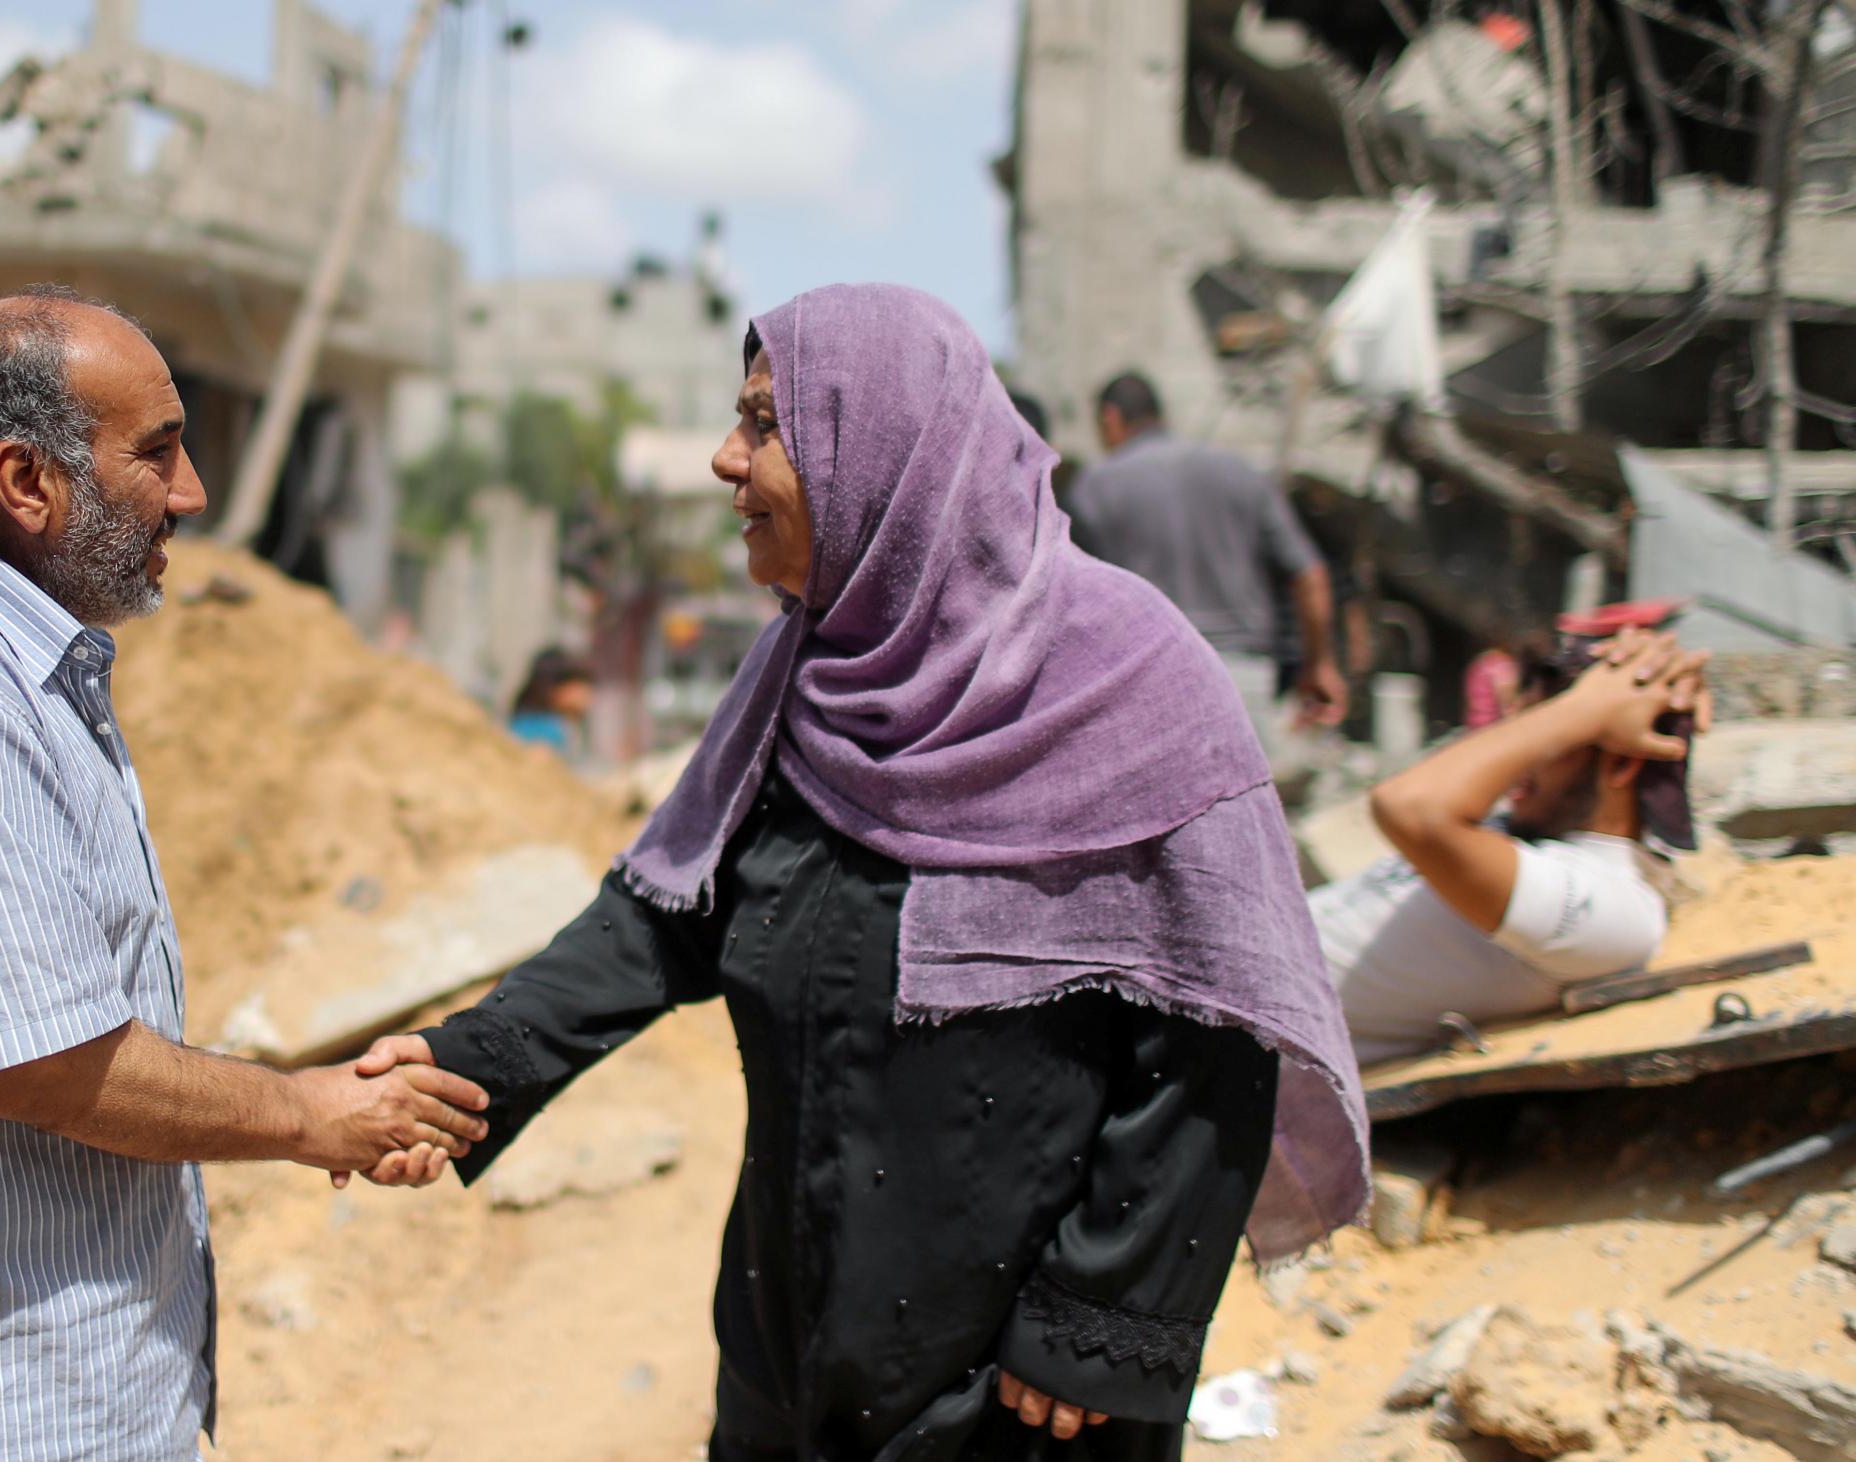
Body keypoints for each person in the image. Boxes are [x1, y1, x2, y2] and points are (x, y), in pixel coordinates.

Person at [357, 285, 1369, 1459]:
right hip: (790, 1340)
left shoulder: (1136, 681)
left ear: (881, 449)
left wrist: (1100, 1316)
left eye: (762, 423)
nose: (725, 462)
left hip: (1015, 1388)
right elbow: (661, 920)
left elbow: (1214, 1027)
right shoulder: (803, 674)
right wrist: (464, 1064)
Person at [0, 286, 489, 1457]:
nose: (190, 493)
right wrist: (307, 1114)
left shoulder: (21, 660)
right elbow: (41, 1063)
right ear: (27, 483)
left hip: (52, 1381)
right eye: (157, 453)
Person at [1323, 630, 1705, 1064]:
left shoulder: (1613, 908)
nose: (1519, 756)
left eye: (1550, 734)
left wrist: (1585, 706)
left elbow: (1408, 807)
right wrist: (1647, 666)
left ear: (1620, 762)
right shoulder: (1517, 829)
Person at [1067, 372, 1345, 778]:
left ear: (1111, 419)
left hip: (1147, 682)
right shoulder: (1240, 472)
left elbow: (1078, 605)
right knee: (1244, 817)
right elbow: (1309, 574)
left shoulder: (1096, 487)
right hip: (1241, 681)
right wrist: (1319, 663)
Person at [508, 646, 594, 756]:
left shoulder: (566, 724)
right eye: (578, 687)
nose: (587, 696)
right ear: (554, 689)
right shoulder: (542, 730)